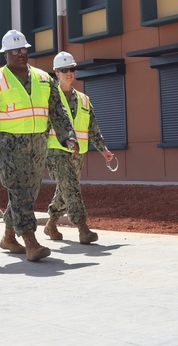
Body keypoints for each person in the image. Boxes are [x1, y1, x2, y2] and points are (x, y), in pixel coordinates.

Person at [0, 29, 78, 262]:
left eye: (23, 50)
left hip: (37, 145)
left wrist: (68, 136)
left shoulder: (44, 79)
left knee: (27, 194)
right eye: (14, 51)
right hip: (8, 147)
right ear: (5, 55)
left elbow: (58, 111)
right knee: (20, 192)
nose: (20, 54)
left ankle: (9, 237)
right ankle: (31, 242)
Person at [43, 51, 115, 244]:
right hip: (56, 151)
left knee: (65, 189)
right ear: (56, 73)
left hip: (77, 153)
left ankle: (51, 224)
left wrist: (103, 149)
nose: (69, 73)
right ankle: (83, 228)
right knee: (72, 189)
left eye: (72, 69)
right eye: (64, 70)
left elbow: (93, 128)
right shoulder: (49, 98)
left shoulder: (83, 99)